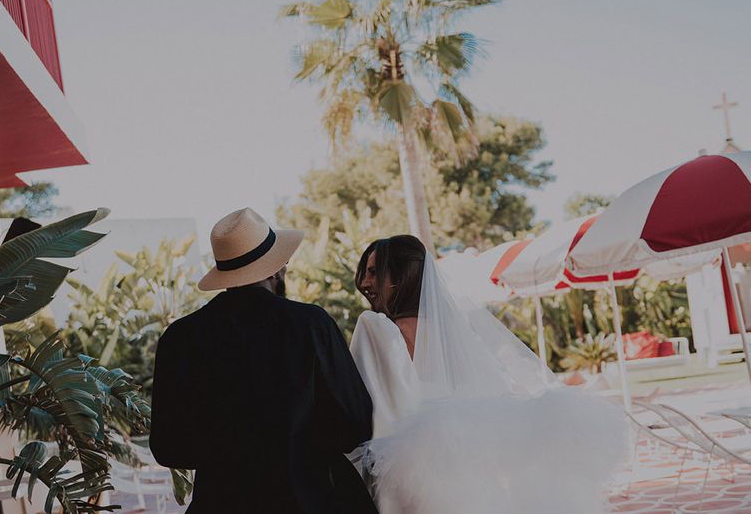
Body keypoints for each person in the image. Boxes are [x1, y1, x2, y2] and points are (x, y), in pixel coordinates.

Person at [351, 235, 629, 514]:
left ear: (403, 274)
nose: (364, 282)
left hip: (407, 476)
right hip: (468, 477)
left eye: (374, 272)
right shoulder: (456, 333)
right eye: (365, 272)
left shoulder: (376, 329)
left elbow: (365, 411)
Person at [150, 207, 377, 513]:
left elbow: (168, 448)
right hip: (304, 500)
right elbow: (355, 423)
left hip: (218, 504)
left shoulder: (179, 337)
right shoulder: (310, 324)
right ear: (274, 270)